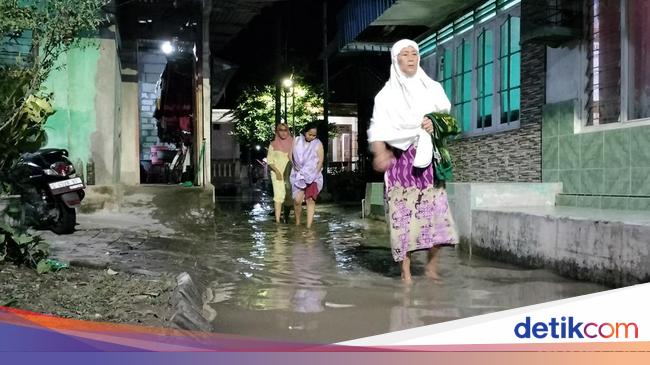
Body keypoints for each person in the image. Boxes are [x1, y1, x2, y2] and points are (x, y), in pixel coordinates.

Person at [368, 39, 459, 284]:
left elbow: (448, 119)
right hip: (400, 164)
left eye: (414, 53)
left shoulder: (433, 88)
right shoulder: (385, 96)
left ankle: (431, 268)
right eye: (404, 54)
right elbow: (377, 129)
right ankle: (406, 274)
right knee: (403, 218)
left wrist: (434, 122)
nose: (410, 58)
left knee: (436, 216)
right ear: (396, 60)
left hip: (430, 161)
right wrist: (380, 152)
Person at [290, 122, 324, 228]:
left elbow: (320, 160)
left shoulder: (318, 143)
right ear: (305, 132)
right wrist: (294, 166)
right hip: (298, 174)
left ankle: (309, 226)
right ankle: (298, 223)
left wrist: (315, 174)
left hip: (313, 175)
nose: (312, 137)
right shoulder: (296, 140)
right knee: (297, 200)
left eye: (314, 135)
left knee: (310, 199)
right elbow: (290, 155)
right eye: (310, 134)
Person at [266, 122, 293, 223]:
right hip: (277, 173)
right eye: (280, 130)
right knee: (278, 196)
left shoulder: (293, 143)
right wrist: (277, 172)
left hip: (290, 173)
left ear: (288, 131)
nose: (283, 133)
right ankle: (277, 220)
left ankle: (286, 217)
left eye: (285, 130)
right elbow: (270, 161)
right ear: (277, 132)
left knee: (288, 196)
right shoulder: (273, 144)